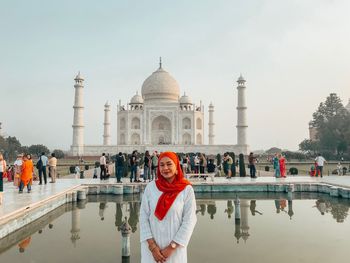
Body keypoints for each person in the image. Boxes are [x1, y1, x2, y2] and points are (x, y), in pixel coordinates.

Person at [140, 152, 197, 263]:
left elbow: (189, 221)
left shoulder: (186, 190)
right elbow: (143, 217)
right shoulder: (151, 188)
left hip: (175, 252)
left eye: (169, 164)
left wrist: (171, 247)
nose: (165, 168)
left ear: (176, 166)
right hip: (151, 252)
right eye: (161, 165)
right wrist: (153, 247)